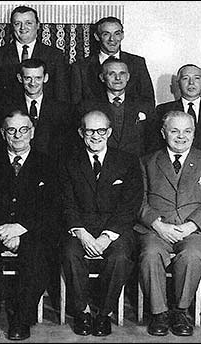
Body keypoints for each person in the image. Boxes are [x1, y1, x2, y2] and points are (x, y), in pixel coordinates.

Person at [136, 110, 201, 337]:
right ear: (163, 132)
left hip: (197, 230)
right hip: (156, 229)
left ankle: (180, 311)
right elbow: (138, 200)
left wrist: (190, 226)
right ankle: (159, 313)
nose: (181, 136)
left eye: (187, 131)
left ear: (194, 134)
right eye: (174, 131)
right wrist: (158, 225)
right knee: (150, 254)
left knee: (192, 255)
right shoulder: (147, 161)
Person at [0, 110, 59, 340]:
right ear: (3, 134)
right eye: (11, 130)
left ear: (32, 133)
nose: (18, 135)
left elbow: (53, 208)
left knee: (37, 252)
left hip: (32, 230)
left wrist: (21, 228)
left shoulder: (49, 165)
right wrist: (3, 230)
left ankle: (22, 318)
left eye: (23, 130)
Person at [60, 110, 143, 337]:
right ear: (81, 133)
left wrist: (107, 236)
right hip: (80, 228)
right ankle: (83, 312)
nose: (95, 136)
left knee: (120, 257)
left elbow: (130, 205)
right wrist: (82, 234)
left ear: (109, 132)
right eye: (89, 131)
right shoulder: (68, 161)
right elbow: (66, 203)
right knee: (70, 253)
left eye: (101, 131)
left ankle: (103, 314)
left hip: (115, 228)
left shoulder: (127, 161)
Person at [0, 5, 69, 106]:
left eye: (28, 23)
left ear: (38, 25)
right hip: (7, 117)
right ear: (12, 26)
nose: (23, 28)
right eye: (17, 23)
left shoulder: (55, 55)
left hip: (45, 118)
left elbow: (61, 96)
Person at [0, 58, 76, 164]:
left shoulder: (63, 109)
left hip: (53, 167)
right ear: (20, 78)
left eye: (38, 78)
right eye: (28, 78)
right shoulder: (6, 108)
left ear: (45, 78)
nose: (33, 83)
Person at [150, 64, 201, 161]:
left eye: (197, 78)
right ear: (178, 83)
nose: (191, 83)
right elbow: (156, 144)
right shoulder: (163, 110)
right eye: (185, 78)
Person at [70, 16, 154, 108]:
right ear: (97, 37)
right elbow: (75, 104)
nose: (112, 39)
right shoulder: (80, 67)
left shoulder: (137, 63)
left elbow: (148, 100)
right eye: (106, 34)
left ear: (122, 35)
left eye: (117, 34)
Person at [78, 57, 153, 157]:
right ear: (102, 77)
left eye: (122, 73)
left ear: (128, 77)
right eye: (111, 74)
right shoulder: (88, 107)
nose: (118, 78)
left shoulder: (144, 105)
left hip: (137, 165)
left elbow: (153, 141)